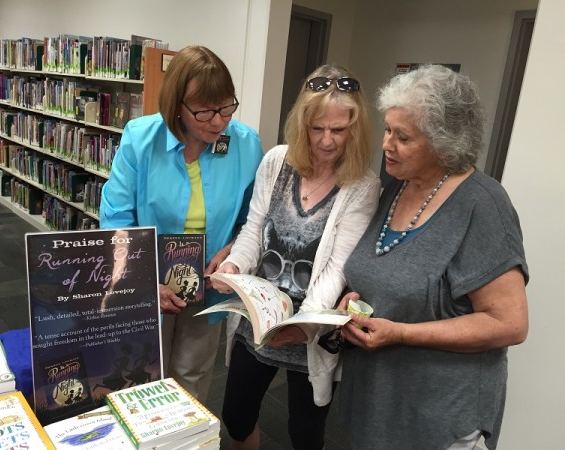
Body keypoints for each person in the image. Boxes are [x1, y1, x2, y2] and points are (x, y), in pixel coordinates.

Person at [338, 64, 529, 450]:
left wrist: (403, 333)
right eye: (388, 129)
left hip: (439, 417)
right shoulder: (397, 186)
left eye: (403, 136)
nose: (387, 145)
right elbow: (383, 273)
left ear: (445, 143)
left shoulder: (483, 204)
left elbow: (509, 324)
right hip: (378, 402)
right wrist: (352, 302)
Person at [212, 64, 381, 450]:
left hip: (312, 326)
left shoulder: (362, 185)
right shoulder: (276, 161)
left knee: (304, 433)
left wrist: (305, 325)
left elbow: (338, 266)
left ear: (354, 130)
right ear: (301, 123)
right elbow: (253, 229)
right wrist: (233, 265)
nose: (326, 141)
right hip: (259, 315)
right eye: (316, 128)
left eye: (338, 130)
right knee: (236, 416)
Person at [99, 45, 264, 403]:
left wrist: (233, 249)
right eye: (204, 111)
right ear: (177, 105)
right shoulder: (140, 139)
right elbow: (116, 221)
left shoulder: (246, 144)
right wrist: (142, 280)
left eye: (226, 107)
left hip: (208, 281)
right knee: (138, 375)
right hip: (145, 279)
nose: (218, 121)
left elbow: (254, 218)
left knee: (192, 376)